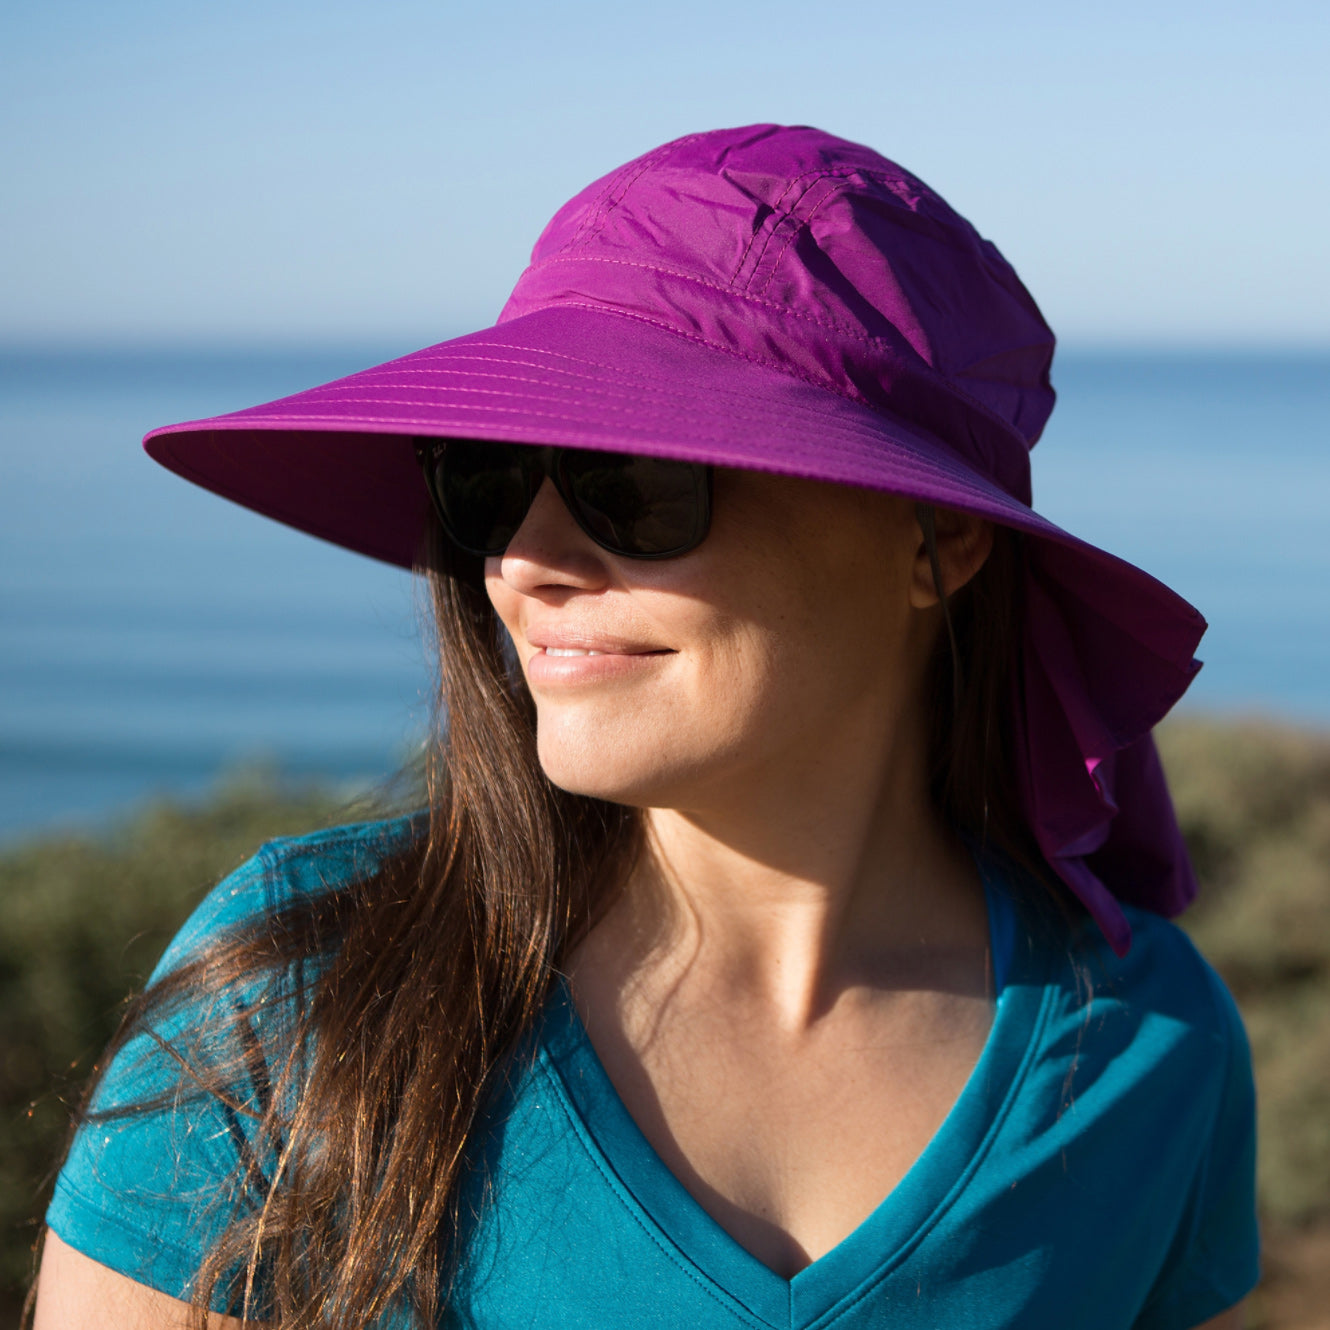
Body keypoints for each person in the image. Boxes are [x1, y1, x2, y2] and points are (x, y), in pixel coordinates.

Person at [32, 124, 1257, 1329]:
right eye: (489, 480)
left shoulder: (1148, 1049)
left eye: (639, 488)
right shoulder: (302, 984)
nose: (524, 559)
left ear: (937, 544)